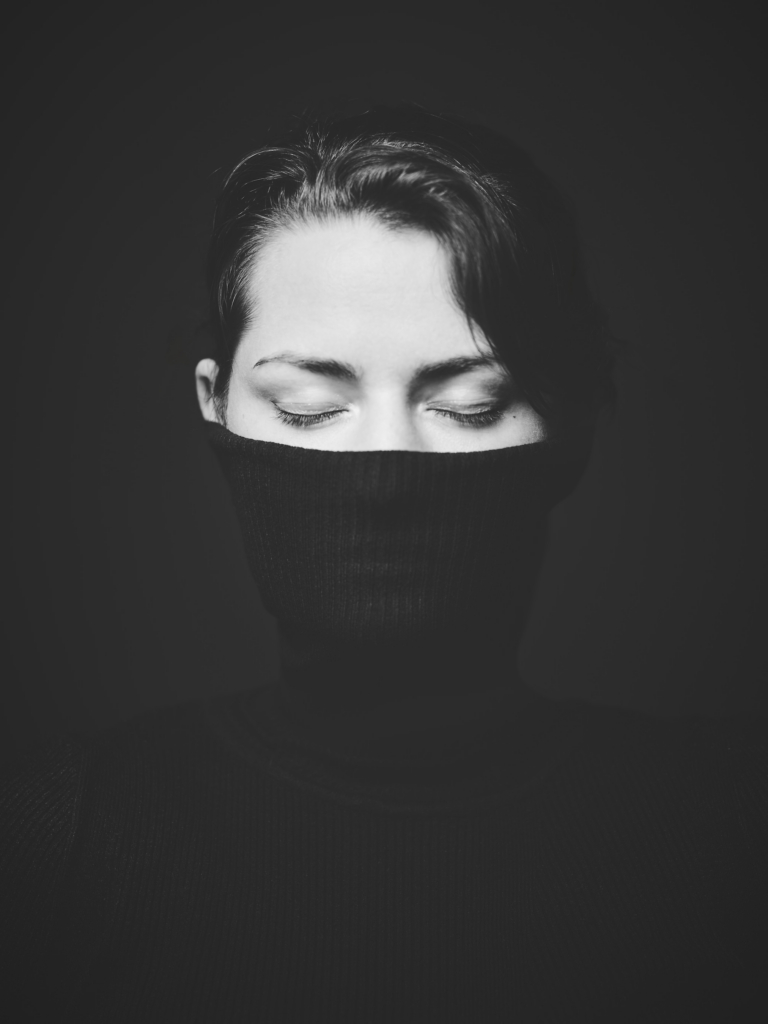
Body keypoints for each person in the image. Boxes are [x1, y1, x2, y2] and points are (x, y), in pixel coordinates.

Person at [1, 102, 765, 1023]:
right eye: (309, 407)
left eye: (471, 406)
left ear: (571, 424)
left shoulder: (730, 837)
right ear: (217, 406)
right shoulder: (56, 843)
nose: (385, 467)